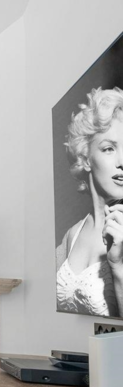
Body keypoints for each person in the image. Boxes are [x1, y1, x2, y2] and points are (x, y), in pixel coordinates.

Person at [57, 87, 123, 317]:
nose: (122, 161)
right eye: (109, 148)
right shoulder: (73, 235)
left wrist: (119, 267)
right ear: (85, 159)